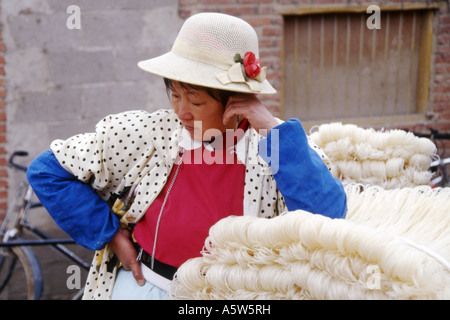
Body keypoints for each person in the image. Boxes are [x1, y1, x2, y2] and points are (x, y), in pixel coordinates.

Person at [26, 12, 347, 300]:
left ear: (238, 100)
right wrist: (107, 233)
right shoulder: (146, 134)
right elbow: (47, 171)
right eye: (175, 95)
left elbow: (327, 218)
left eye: (195, 102)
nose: (181, 112)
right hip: (144, 286)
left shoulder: (276, 150)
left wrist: (269, 125)